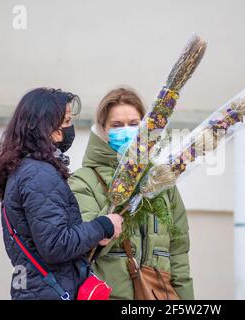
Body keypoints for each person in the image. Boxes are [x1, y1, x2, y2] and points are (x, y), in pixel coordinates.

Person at [0, 87, 123, 300]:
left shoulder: (28, 170)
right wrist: (103, 226)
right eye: (66, 121)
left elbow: (44, 240)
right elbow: (56, 245)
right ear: (45, 127)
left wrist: (94, 237)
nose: (69, 129)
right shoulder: (39, 174)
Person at [69, 87, 194, 299]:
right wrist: (122, 196)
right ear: (102, 130)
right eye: (116, 125)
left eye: (134, 124)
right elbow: (83, 248)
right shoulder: (84, 181)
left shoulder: (161, 183)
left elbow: (178, 253)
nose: (127, 130)